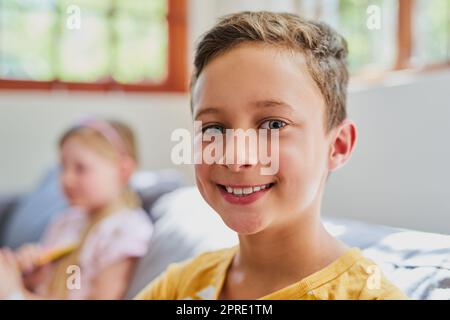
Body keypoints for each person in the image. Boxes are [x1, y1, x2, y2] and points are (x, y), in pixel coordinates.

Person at [135, 11, 407, 300]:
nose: (236, 157)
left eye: (273, 124)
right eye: (214, 128)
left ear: (337, 146)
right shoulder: (177, 287)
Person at [0, 118, 153, 300]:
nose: (67, 179)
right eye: (63, 167)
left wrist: (15, 295)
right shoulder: (67, 220)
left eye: (81, 168)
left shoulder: (125, 230)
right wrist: (33, 278)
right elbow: (53, 291)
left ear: (123, 170)